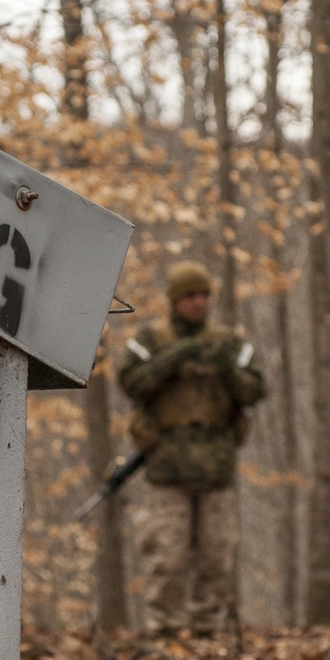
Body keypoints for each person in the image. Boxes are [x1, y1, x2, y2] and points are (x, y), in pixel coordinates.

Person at [118, 260, 265, 637]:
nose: (198, 302)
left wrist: (226, 369)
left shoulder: (228, 344)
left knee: (217, 556)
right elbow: (131, 383)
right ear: (175, 300)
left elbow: (254, 391)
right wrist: (175, 358)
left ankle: (207, 633)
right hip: (167, 468)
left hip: (216, 467)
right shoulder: (151, 341)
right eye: (190, 296)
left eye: (203, 295)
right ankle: (165, 632)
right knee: (167, 558)